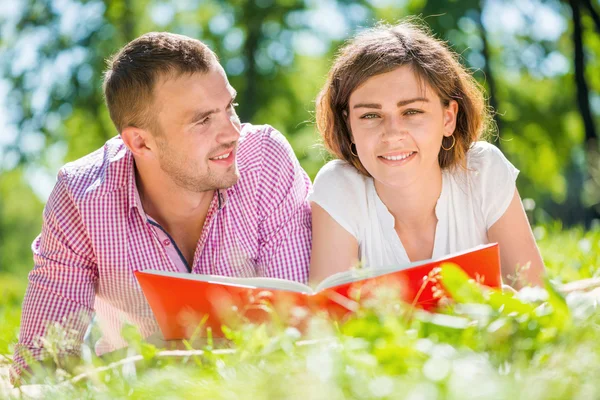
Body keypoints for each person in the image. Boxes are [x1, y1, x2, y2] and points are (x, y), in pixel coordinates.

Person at [11, 32, 312, 384]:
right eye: (203, 120)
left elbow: (295, 328)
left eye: (229, 107)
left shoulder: (265, 160)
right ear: (140, 141)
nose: (232, 133)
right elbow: (43, 360)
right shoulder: (82, 196)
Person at [309, 20, 545, 288]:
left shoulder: (483, 171)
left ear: (448, 118)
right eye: (371, 115)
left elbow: (537, 298)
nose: (392, 133)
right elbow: (328, 320)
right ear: (349, 126)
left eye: (412, 112)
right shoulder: (338, 187)